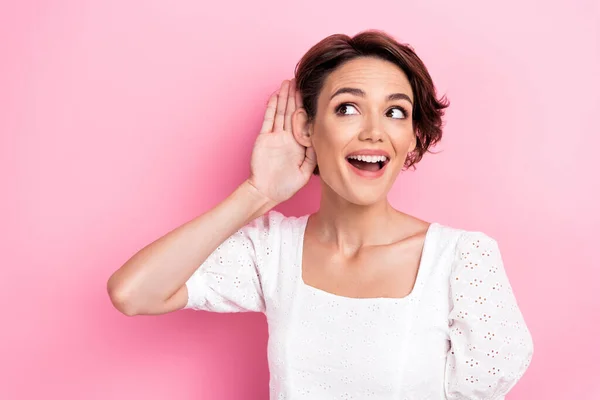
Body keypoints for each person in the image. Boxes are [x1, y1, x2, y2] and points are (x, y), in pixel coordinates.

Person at [107, 30, 534, 399]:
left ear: (413, 139)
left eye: (395, 112)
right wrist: (258, 193)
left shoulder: (461, 259)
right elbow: (134, 292)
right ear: (307, 128)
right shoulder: (273, 250)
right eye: (347, 108)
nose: (373, 130)